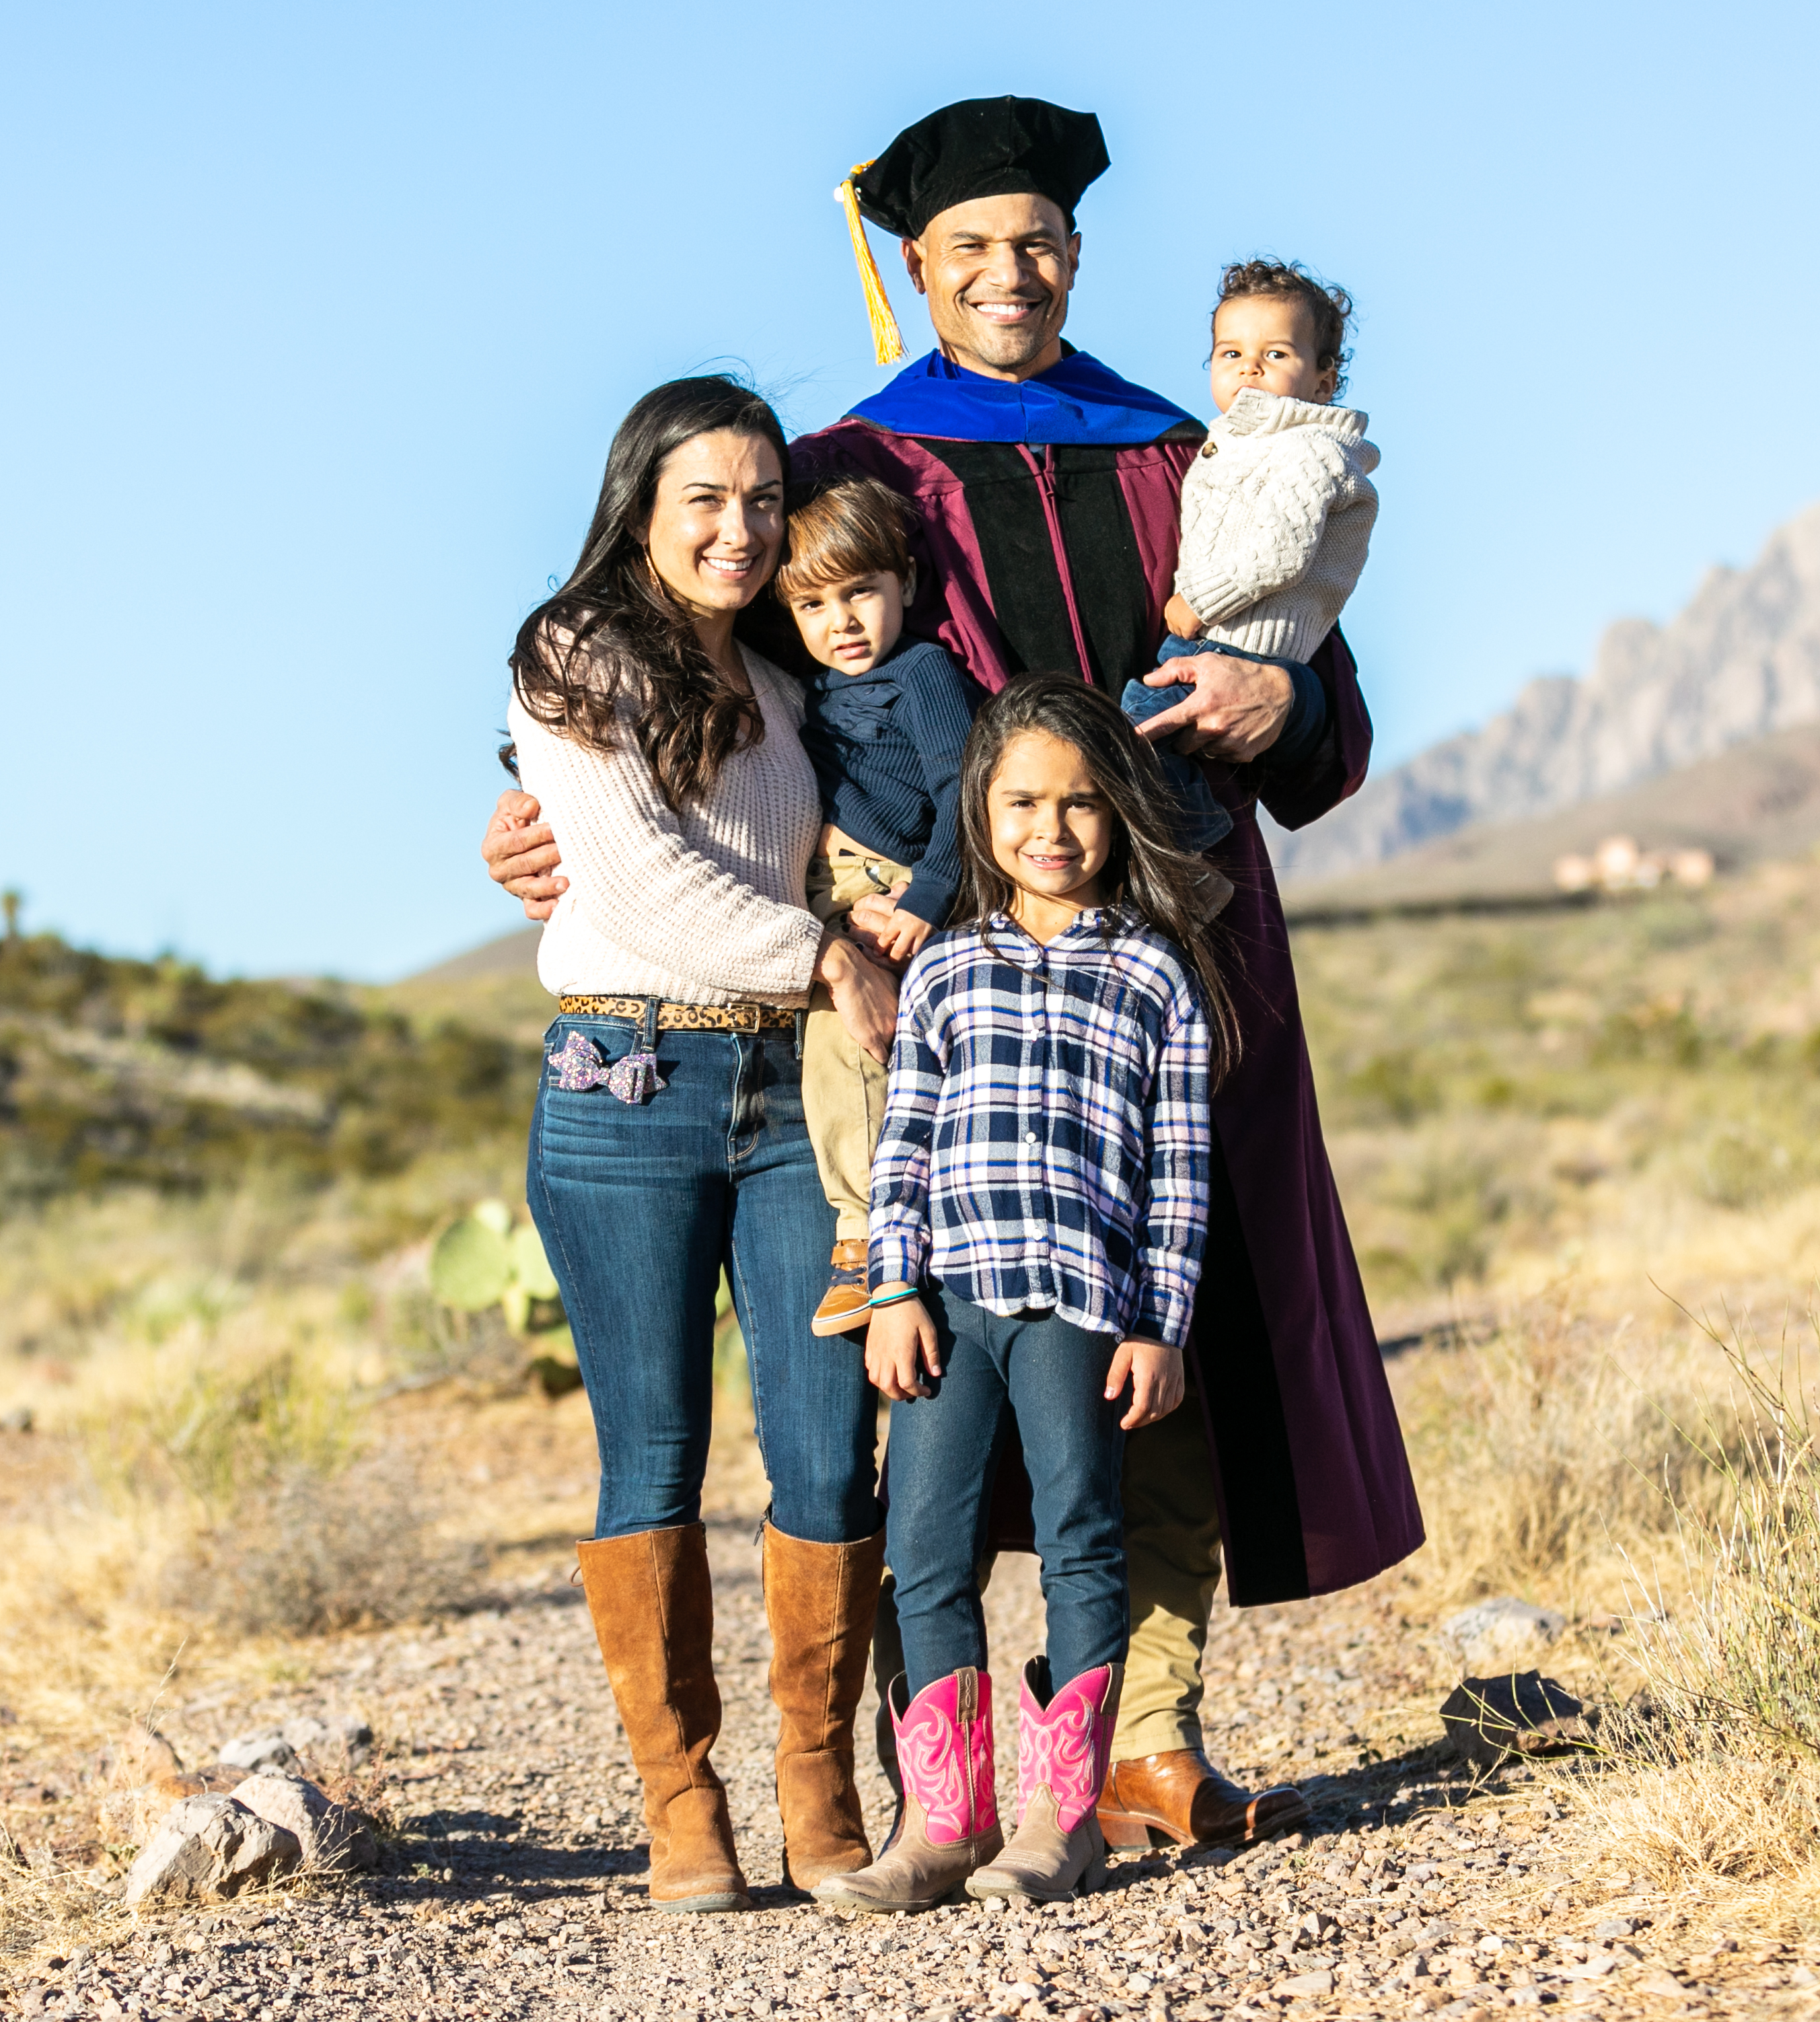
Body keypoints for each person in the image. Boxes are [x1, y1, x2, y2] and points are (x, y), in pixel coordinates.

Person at [488, 96, 1424, 1854]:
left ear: (1080, 255)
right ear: (915, 268)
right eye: (974, 248)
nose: (1013, 271)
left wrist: (1287, 703)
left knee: (1168, 1332)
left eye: (1043, 242)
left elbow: (1329, 703)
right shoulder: (855, 470)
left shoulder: (1185, 452)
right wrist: (519, 800)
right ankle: (934, 1773)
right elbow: (681, 671)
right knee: (927, 1360)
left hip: (1174, 955)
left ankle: (1148, 1734)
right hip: (943, 981)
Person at [505, 375, 902, 1910]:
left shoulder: (787, 682)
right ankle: (684, 1806)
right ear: (642, 508)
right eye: (705, 502)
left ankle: (819, 1789)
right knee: (654, 1455)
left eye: (759, 500)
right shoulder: (571, 655)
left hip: (794, 1107)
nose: (740, 530)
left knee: (825, 1446)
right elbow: (647, 884)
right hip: (626, 1094)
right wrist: (824, 956)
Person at [814, 676, 1231, 1914]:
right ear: (979, 809)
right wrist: (894, 1289)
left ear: (1120, 815)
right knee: (926, 1548)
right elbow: (906, 1146)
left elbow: (1183, 1173)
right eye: (1021, 802)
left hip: (1080, 1311)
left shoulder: (1157, 976)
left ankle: (1062, 1818)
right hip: (950, 1305)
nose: (1051, 830)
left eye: (1083, 804)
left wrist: (1161, 1321)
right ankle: (946, 1821)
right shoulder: (945, 971)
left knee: (1080, 1539)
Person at [771, 476, 980, 1337]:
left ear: (907, 586)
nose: (842, 621)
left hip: (895, 886)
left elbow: (967, 786)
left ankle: (863, 1239)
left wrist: (931, 891)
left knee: (849, 1044)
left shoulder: (923, 671)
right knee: (847, 1054)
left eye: (861, 592)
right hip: (827, 899)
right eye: (814, 604)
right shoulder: (805, 693)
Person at [1118, 260, 1381, 853]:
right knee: (1151, 742)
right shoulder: (1242, 446)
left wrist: (1196, 602)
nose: (1251, 368)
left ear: (1322, 380)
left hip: (1230, 643)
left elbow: (1277, 556)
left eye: (1278, 354)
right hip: (1221, 638)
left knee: (1122, 739)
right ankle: (1191, 837)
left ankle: (1187, 854)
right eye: (1231, 353)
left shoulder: (1309, 453)